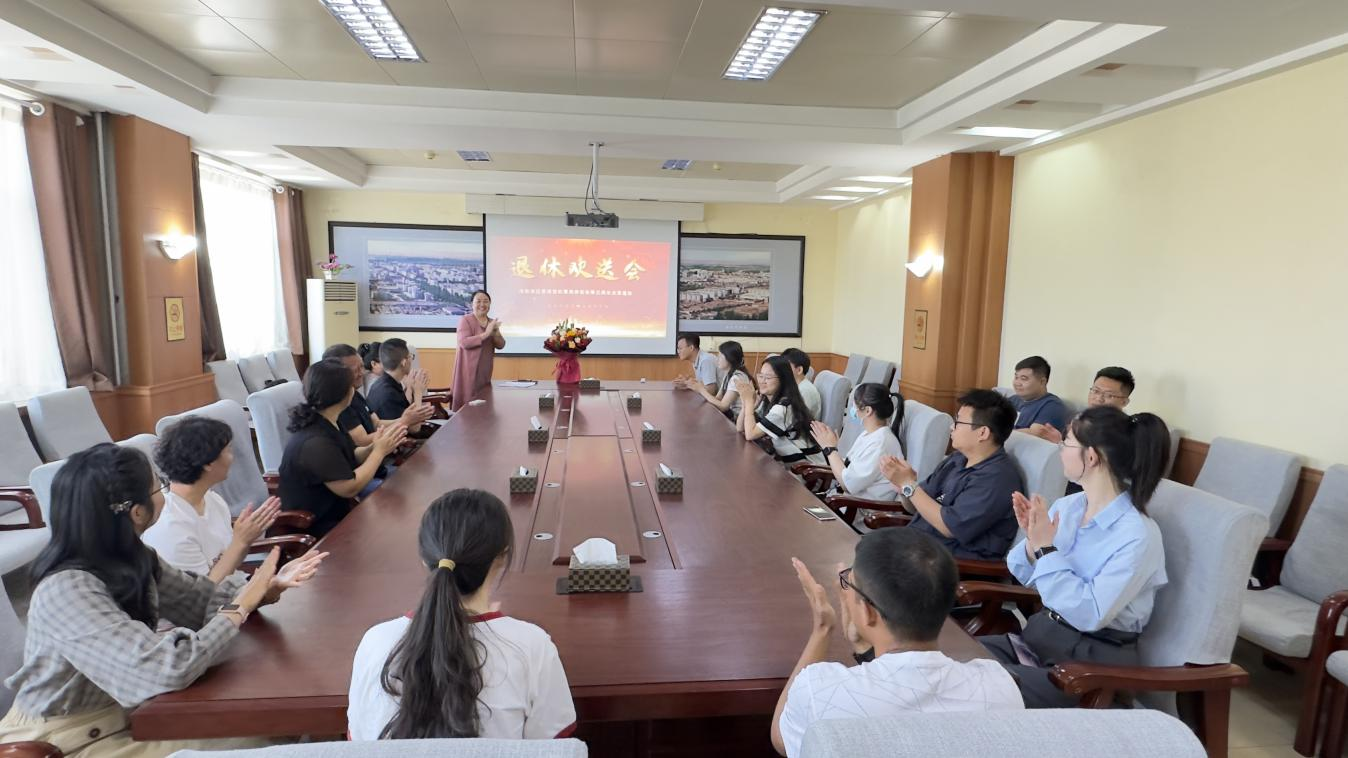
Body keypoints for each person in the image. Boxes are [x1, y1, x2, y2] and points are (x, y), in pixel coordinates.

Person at [0, 443, 323, 757]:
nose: (165, 494)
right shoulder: (68, 590)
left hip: (129, 714)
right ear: (138, 512)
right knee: (265, 737)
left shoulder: (133, 558)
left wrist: (264, 587)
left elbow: (201, 602)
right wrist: (240, 606)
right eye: (159, 487)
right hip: (65, 742)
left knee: (271, 725)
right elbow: (165, 670)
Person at [771, 528, 1023, 757]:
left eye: (849, 584)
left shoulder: (819, 690)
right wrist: (863, 649)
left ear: (868, 612)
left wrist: (823, 629)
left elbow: (783, 738)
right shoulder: (999, 686)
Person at [979, 406, 1170, 708]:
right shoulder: (1069, 506)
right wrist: (1033, 541)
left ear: (1091, 457)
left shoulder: (1137, 534)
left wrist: (1046, 549)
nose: (1060, 451)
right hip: (1041, 637)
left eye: (1066, 443)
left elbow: (1089, 613)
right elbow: (1022, 572)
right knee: (948, 658)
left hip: (1091, 662)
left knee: (974, 687)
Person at [348, 489, 575, 740]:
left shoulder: (375, 642)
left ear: (425, 559)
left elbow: (359, 739)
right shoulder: (531, 645)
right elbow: (552, 747)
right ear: (502, 557)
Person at [877, 389, 1023, 560]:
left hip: (946, 562)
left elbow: (949, 527)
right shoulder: (957, 459)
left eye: (958, 422)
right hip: (918, 545)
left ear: (982, 433)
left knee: (870, 557)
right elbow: (915, 506)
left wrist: (909, 485)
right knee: (868, 548)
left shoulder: (997, 479)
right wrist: (903, 488)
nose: (952, 427)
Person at [279, 358, 408, 538]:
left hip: (340, 515)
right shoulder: (315, 442)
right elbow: (349, 487)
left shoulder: (330, 420)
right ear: (344, 394)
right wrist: (379, 452)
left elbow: (352, 455)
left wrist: (375, 446)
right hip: (315, 529)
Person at [142, 416, 282, 579]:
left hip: (234, 588)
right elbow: (203, 591)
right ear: (207, 463)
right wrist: (240, 542)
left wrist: (246, 538)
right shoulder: (170, 527)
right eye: (228, 450)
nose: (232, 458)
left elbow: (230, 567)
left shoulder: (212, 500)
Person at [324, 343, 433, 452]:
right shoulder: (339, 403)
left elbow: (376, 423)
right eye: (355, 370)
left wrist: (406, 419)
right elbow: (363, 441)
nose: (362, 373)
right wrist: (404, 422)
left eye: (362, 367)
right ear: (337, 373)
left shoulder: (354, 393)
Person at [809, 383, 904, 501]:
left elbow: (847, 485)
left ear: (868, 410)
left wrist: (830, 449)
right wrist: (832, 448)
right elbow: (849, 468)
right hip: (845, 499)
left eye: (855, 405)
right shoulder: (870, 434)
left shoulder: (880, 444)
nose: (852, 409)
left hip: (858, 507)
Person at [736, 355, 825, 467]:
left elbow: (750, 434)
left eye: (768, 377)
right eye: (761, 376)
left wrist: (749, 402)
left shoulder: (784, 407)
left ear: (783, 380)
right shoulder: (768, 400)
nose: (762, 381)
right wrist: (746, 404)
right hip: (790, 466)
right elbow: (740, 428)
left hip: (807, 471)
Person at [1026, 366, 1135, 445]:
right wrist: (1060, 441)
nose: (1098, 398)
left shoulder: (1123, 432)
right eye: (1096, 391)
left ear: (1124, 402)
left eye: (1109, 395)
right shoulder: (1080, 417)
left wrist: (1060, 444)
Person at [452, 290, 506, 411]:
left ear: (490, 304)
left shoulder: (491, 322)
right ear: (472, 304)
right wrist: (486, 334)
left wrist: (496, 333)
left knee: (483, 406)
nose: (482, 304)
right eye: (479, 301)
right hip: (467, 371)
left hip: (484, 372)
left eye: (486, 301)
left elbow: (501, 345)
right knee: (467, 409)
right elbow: (464, 342)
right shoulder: (465, 320)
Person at [367, 338, 432, 438]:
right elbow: (415, 429)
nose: (411, 360)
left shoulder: (385, 382)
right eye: (410, 357)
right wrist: (418, 392)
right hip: (401, 442)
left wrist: (410, 387)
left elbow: (404, 409)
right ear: (404, 362)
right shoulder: (388, 392)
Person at [678, 340, 754, 418]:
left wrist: (701, 390)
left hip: (738, 419)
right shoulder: (728, 374)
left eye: (720, 356)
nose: (717, 359)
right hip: (732, 416)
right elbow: (717, 398)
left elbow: (723, 406)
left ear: (730, 358)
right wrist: (696, 386)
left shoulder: (737, 377)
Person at [1009, 356, 1068, 434]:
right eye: (1016, 377)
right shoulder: (1013, 399)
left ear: (1042, 382)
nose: (1017, 383)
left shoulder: (1053, 405)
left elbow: (1036, 433)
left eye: (1023, 379)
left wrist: (1000, 433)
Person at [781, 348, 823, 421]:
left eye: (785, 366)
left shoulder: (805, 391)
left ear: (799, 370)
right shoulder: (793, 386)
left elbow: (797, 421)